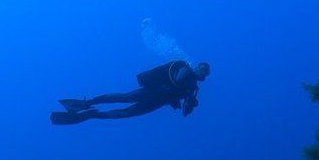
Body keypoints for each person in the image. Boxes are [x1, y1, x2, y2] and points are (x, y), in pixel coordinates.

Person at [50, 60, 210, 125]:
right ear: (197, 67)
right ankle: (87, 103)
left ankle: (90, 113)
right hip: (153, 92)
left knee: (125, 112)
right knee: (123, 98)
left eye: (204, 73)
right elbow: (178, 80)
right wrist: (188, 92)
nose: (201, 73)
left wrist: (189, 103)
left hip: (157, 102)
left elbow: (184, 113)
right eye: (201, 69)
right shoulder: (185, 72)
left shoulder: (192, 89)